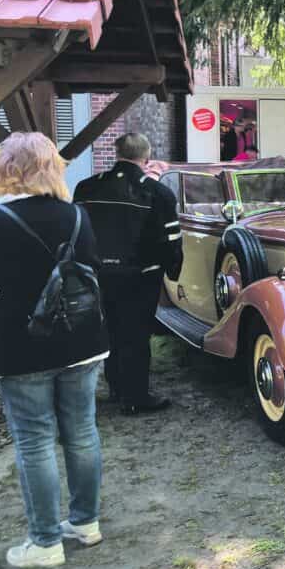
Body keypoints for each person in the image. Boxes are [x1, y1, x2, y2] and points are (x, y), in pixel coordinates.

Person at [0, 132, 108, 568]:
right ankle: (86, 523)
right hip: (82, 341)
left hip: (21, 349)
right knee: (82, 432)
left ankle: (46, 542)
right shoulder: (77, 216)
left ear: (7, 168)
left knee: (34, 441)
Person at [74, 133, 183, 414]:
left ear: (116, 152)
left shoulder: (86, 188)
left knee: (109, 329)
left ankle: (115, 387)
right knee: (135, 335)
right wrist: (172, 270)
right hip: (140, 276)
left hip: (99, 275)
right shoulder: (158, 193)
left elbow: (77, 232)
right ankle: (135, 397)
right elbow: (171, 239)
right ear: (146, 157)